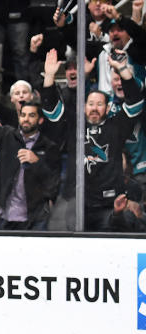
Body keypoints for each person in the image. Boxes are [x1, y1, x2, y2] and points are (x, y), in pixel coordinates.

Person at [41, 48, 142, 231]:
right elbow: (51, 112)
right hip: (77, 203)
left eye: (99, 104)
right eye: (91, 104)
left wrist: (122, 69)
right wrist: (49, 77)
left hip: (109, 205)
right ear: (84, 106)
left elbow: (135, 102)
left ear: (107, 107)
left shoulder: (117, 126)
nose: (94, 108)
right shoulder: (74, 126)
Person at [0, 73, 60, 230]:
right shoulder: (7, 135)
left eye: (31, 115)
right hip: (5, 216)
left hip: (35, 218)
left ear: (40, 120)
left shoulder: (48, 146)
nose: (26, 119)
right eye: (23, 115)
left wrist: (37, 162)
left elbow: (53, 183)